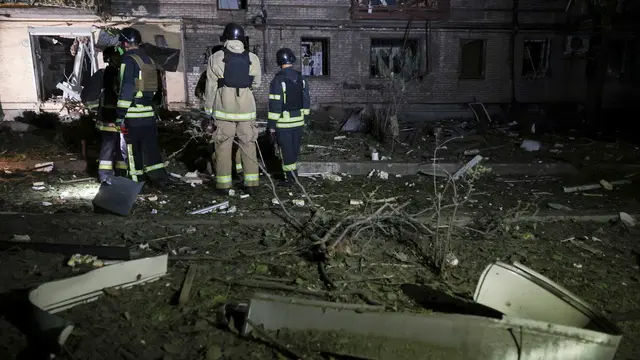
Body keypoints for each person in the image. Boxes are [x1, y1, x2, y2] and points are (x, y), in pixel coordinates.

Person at [204, 23, 262, 194]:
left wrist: (208, 111)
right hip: (247, 112)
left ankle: (224, 186)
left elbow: (210, 88)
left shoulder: (215, 57)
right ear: (243, 39)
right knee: (249, 145)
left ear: (226, 39)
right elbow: (256, 84)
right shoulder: (254, 58)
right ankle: (252, 185)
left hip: (223, 111)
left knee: (222, 146)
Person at [116, 27, 169, 187]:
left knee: (132, 151)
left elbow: (127, 88)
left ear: (125, 43)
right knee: (151, 149)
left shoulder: (128, 60)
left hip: (133, 115)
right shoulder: (149, 60)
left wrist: (120, 115)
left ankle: (135, 183)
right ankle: (160, 179)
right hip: (148, 114)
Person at [267, 48, 311, 186]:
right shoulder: (301, 78)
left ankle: (291, 180)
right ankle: (293, 177)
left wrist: (271, 126)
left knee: (286, 152)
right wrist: (305, 119)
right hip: (298, 121)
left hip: (284, 123)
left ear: (279, 62)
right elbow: (306, 100)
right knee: (293, 150)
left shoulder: (278, 80)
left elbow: (275, 105)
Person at [92, 46, 128, 182]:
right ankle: (105, 176)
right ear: (109, 59)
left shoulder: (117, 72)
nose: (119, 59)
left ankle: (121, 173)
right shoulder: (108, 74)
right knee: (109, 146)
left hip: (117, 116)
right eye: (116, 56)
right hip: (109, 117)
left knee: (120, 146)